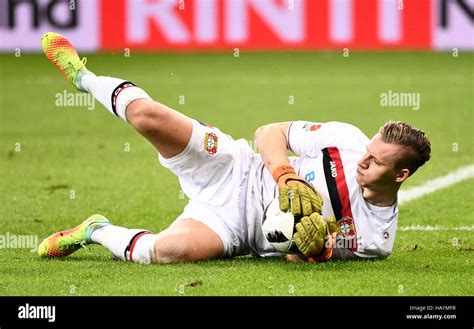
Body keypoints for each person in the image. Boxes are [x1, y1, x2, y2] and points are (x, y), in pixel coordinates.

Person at [38, 32, 431, 264]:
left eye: (375, 160)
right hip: (234, 165)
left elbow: (298, 255)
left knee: (167, 252)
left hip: (237, 227)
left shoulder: (376, 240)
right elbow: (268, 132)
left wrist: (311, 249)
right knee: (146, 117)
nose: (362, 158)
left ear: (400, 175)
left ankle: (95, 230)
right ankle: (85, 78)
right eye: (368, 149)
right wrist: (284, 174)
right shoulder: (346, 139)